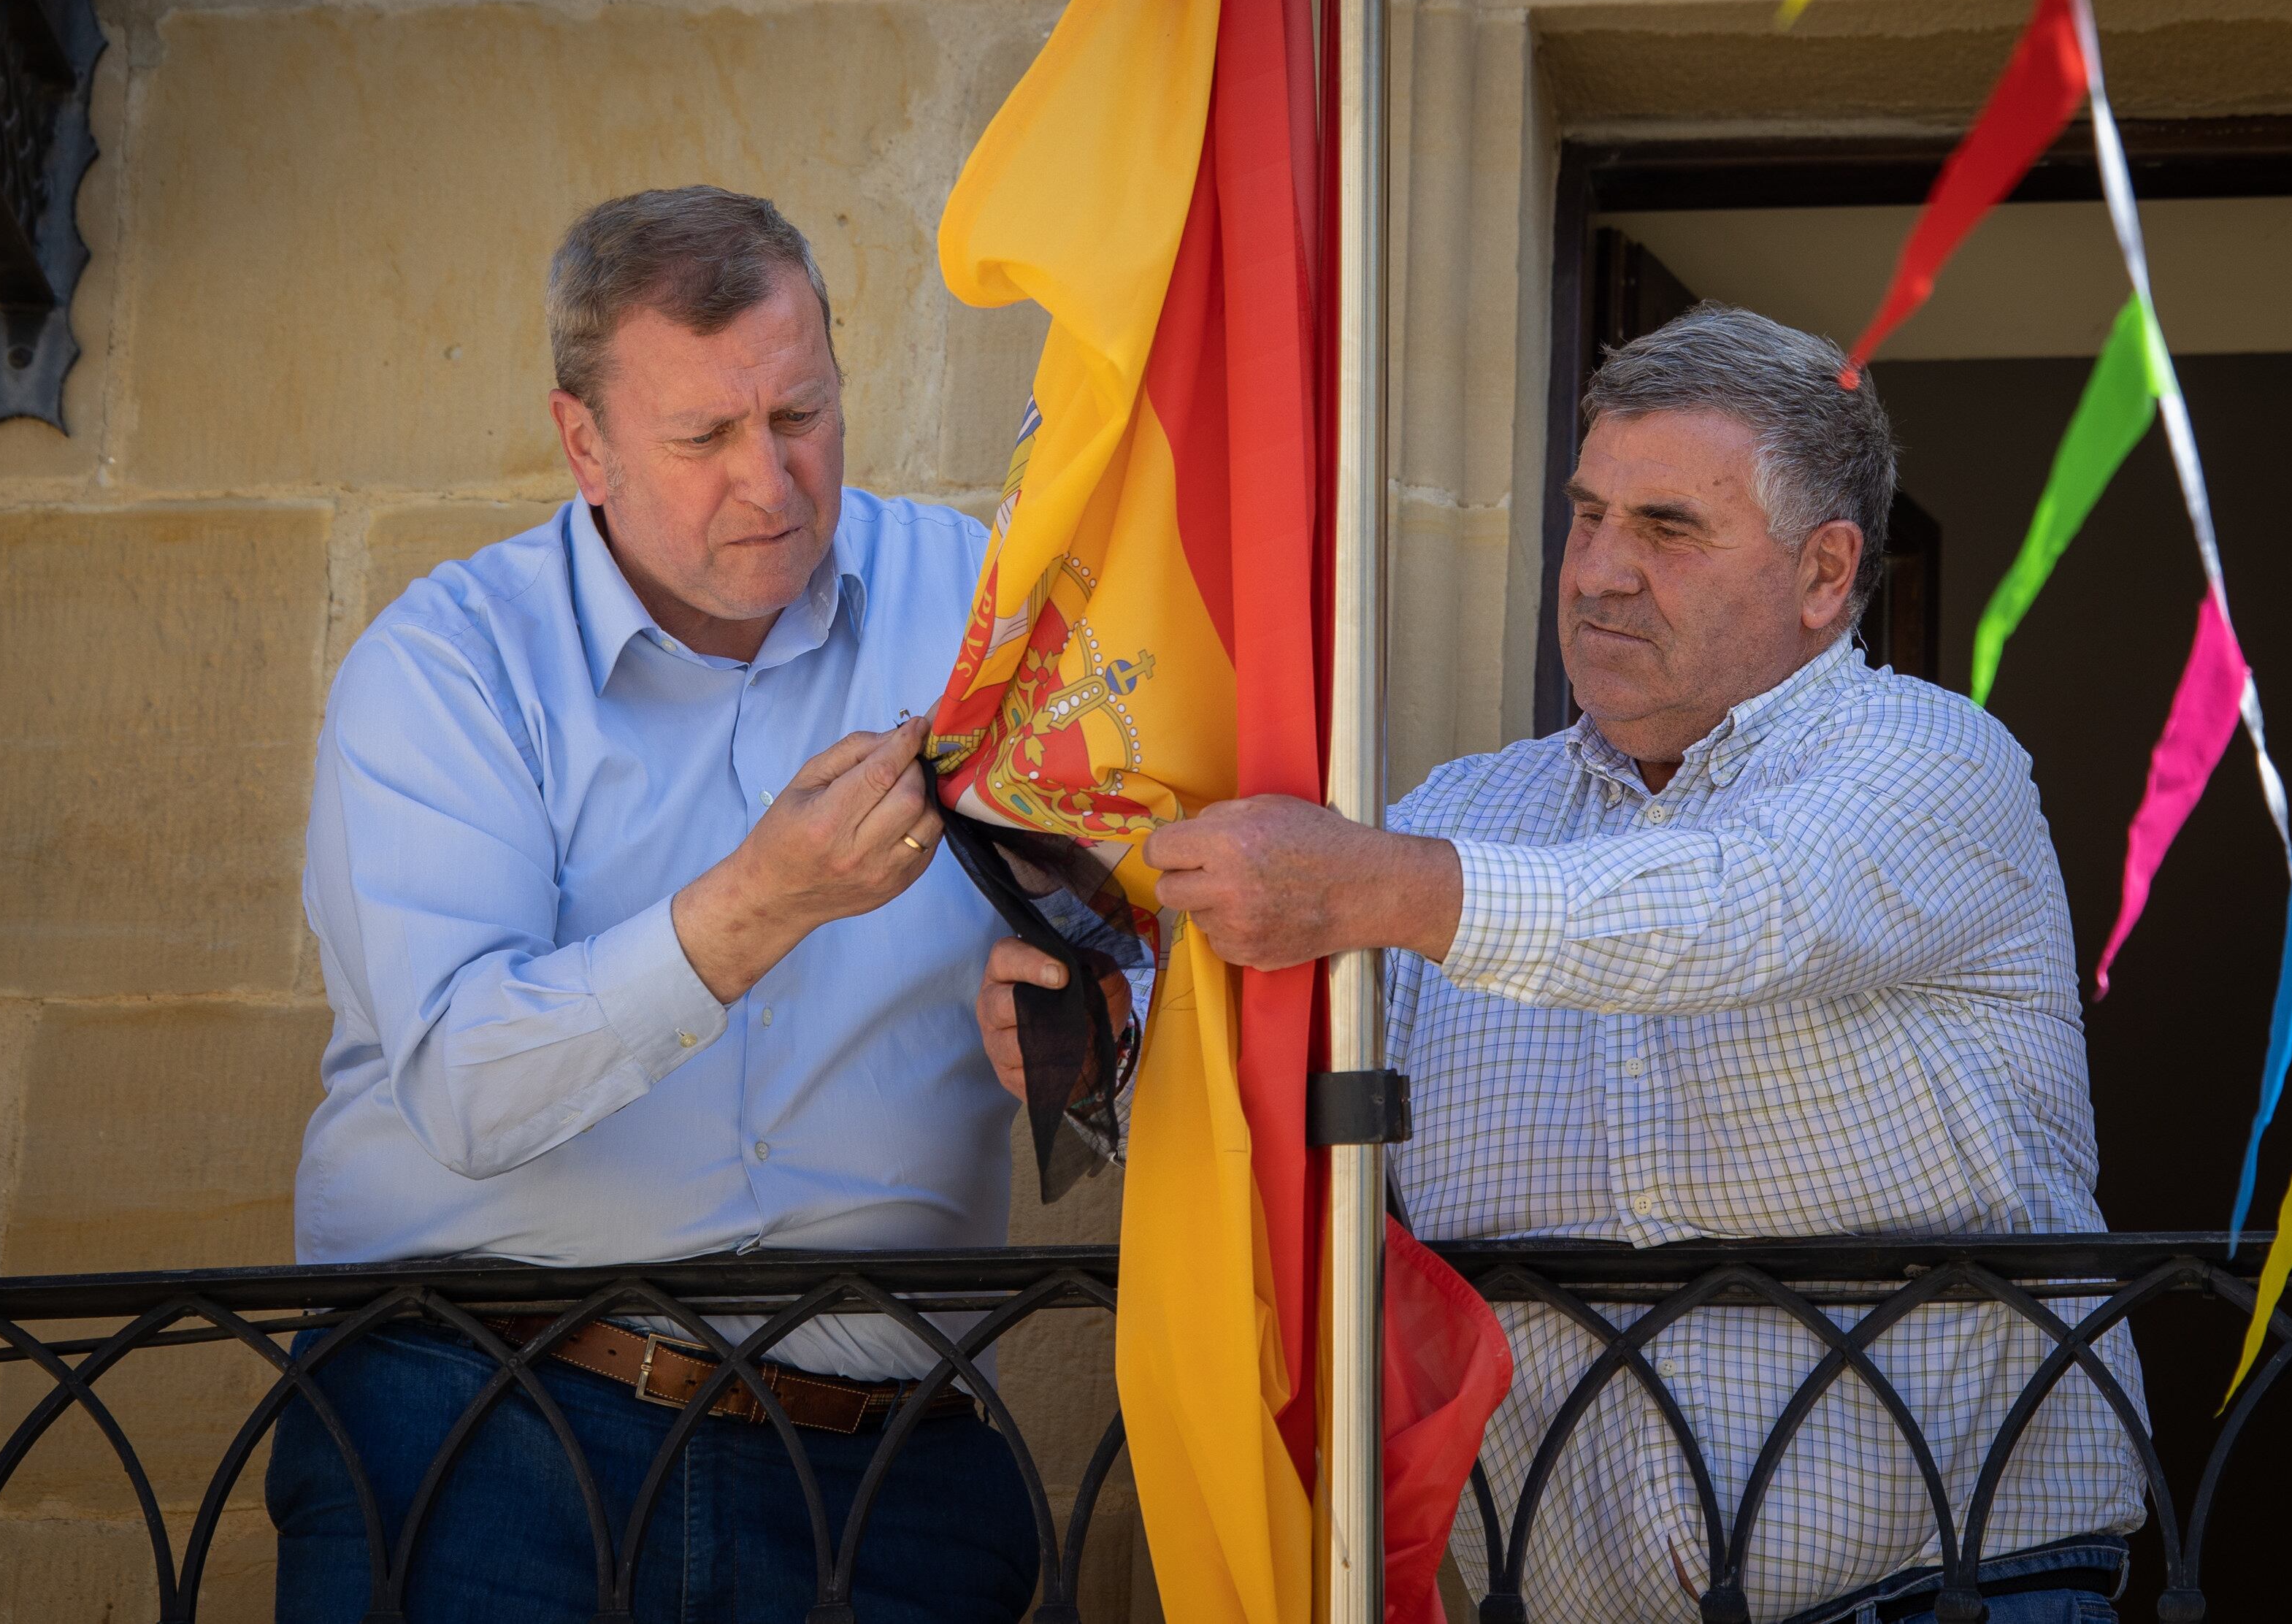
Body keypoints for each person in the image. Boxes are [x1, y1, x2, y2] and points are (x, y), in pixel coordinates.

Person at [986, 304, 2148, 1622]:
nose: (1596, 569)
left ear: (1827, 574)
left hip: (1947, 1597)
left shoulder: (1938, 763)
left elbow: (1730, 909)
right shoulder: (1463, 815)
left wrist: (1373, 882)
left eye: (1666, 529)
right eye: (1588, 515)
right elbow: (1296, 1127)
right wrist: (1109, 1056)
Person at [274, 186, 1050, 1624]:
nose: (770, 482)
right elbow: (464, 1083)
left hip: (889, 1478)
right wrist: (758, 903)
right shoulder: (450, 665)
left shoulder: (981, 608)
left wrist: (1092, 998)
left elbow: (1141, 914)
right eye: (703, 437)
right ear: (584, 442)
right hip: (483, 1426)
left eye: (800, 415)